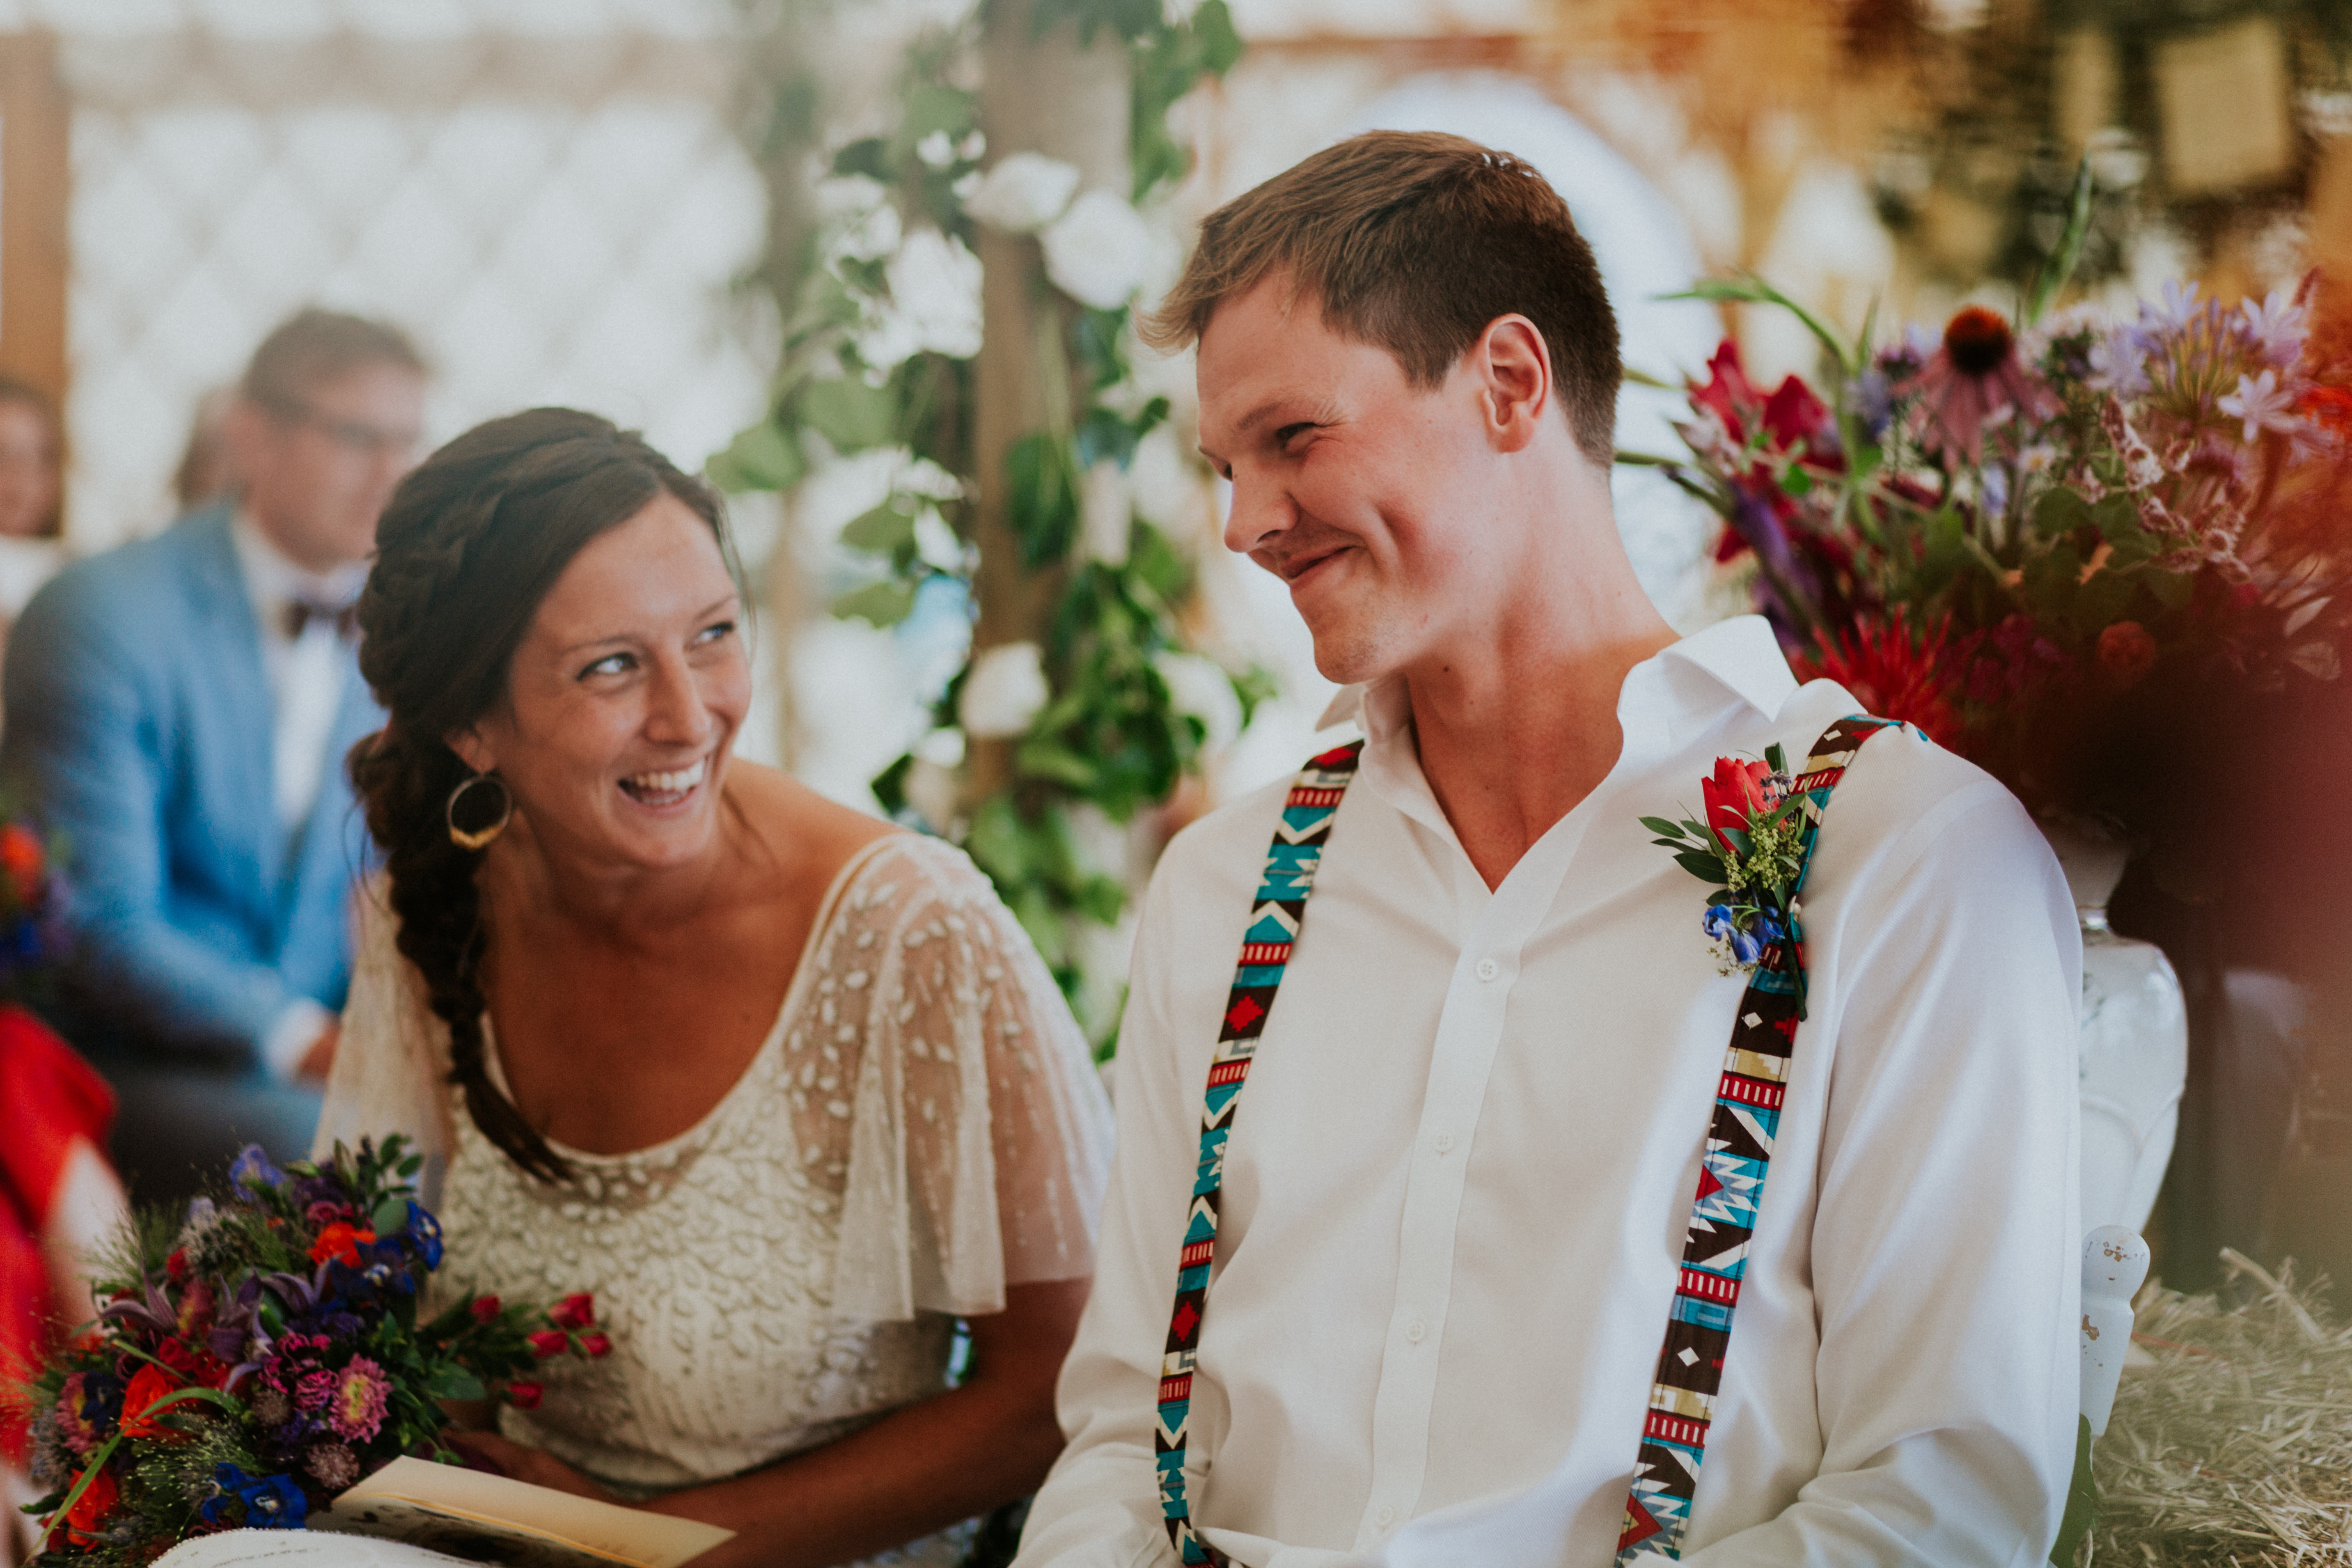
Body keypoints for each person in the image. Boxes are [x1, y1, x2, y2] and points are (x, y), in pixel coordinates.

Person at [1014, 133, 2081, 1568]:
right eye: (1224, 463)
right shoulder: (1220, 893)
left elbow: (1942, 1506)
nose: (1244, 524)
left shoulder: (1911, 865)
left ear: (1509, 381)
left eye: (1292, 438)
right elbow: (1117, 1454)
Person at [312, 409, 1114, 1567]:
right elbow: (392, 1296)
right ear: (470, 725)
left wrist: (635, 1549)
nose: (691, 717)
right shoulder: (436, 902)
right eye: (611, 666)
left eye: (714, 635)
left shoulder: (914, 935)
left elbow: (1052, 1388)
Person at [0, 309, 426, 1203]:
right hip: (118, 1061)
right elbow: (101, 929)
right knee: (372, 1166)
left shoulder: (414, 636)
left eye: (408, 440)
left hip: (324, 1061)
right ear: (251, 435)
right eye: (356, 435)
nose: (391, 472)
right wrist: (316, 1045)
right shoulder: (103, 613)